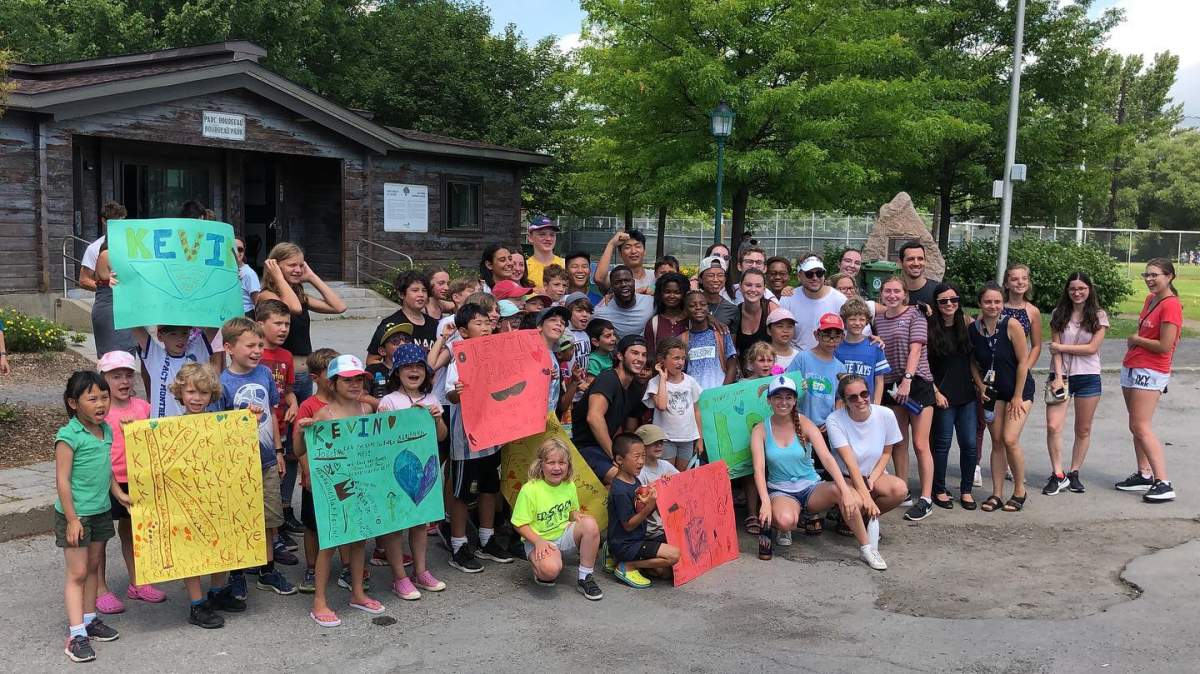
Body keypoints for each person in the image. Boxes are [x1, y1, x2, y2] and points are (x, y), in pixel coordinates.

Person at [749, 375, 886, 570]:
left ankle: (867, 548)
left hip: (810, 486)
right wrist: (764, 502)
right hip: (781, 490)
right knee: (786, 520)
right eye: (778, 397)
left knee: (850, 497)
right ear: (769, 400)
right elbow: (759, 470)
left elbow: (828, 459)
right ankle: (784, 528)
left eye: (789, 397)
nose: (783, 402)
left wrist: (845, 492)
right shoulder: (761, 429)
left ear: (795, 400)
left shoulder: (804, 423)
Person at [298, 355, 384, 626]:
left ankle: (357, 592)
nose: (355, 384)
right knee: (331, 543)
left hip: (360, 485)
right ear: (333, 383)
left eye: (359, 379)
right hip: (332, 488)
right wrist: (304, 431)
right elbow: (300, 450)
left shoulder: (366, 411)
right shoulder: (324, 414)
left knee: (359, 540)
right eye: (348, 380)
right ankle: (319, 601)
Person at [218, 318, 295, 595]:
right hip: (237, 465)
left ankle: (267, 570)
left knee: (269, 519)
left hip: (267, 460)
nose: (257, 351)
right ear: (229, 347)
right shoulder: (222, 383)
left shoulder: (264, 374)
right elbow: (217, 428)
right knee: (240, 518)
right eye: (250, 345)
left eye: (259, 345)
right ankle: (236, 573)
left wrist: (278, 451)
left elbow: (273, 415)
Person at [168, 363, 244, 629]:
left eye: (202, 392)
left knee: (220, 543)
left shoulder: (221, 423)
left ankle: (218, 591)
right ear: (180, 393)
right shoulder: (170, 427)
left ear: (212, 394)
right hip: (188, 500)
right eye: (190, 392)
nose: (196, 398)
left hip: (217, 496)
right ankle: (197, 604)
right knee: (192, 551)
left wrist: (251, 419)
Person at [55, 371, 123, 662]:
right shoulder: (68, 436)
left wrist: (119, 494)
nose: (100, 404)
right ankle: (76, 635)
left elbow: (105, 469)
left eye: (104, 397)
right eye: (91, 398)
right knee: (78, 573)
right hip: (77, 515)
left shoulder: (105, 430)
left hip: (100, 512)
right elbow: (62, 480)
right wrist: (72, 519)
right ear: (73, 403)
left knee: (94, 567)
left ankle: (90, 618)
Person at [445, 304, 515, 572]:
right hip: (466, 439)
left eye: (488, 322)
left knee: (489, 488)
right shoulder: (459, 359)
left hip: (493, 435)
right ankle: (459, 544)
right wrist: (459, 392)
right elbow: (449, 396)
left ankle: (486, 540)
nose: (485, 328)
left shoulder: (498, 356)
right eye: (478, 323)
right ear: (463, 331)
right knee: (462, 492)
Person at [377, 344, 449, 599]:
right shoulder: (388, 401)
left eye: (419, 366)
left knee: (420, 524)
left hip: (425, 470)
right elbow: (381, 441)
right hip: (395, 472)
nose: (414, 371)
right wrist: (384, 420)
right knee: (395, 526)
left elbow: (441, 437)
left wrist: (438, 419)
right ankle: (400, 577)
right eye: (407, 367)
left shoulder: (432, 400)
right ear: (397, 372)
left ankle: (421, 571)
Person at [93, 352, 162, 615]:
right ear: (104, 379)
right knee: (99, 537)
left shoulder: (143, 407)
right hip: (105, 481)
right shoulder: (100, 411)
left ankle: (139, 582)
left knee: (135, 533)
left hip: (136, 479)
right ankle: (99, 588)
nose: (124, 381)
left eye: (128, 375)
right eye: (116, 376)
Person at [1117, 258, 1183, 503]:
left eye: (1155, 275)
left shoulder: (1171, 305)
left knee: (1142, 426)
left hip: (1151, 369)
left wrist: (1136, 339)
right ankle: (1144, 474)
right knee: (1135, 425)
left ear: (1169, 277)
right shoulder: (1150, 300)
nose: (1149, 279)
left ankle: (1163, 481)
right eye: (1146, 275)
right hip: (1133, 365)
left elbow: (1165, 345)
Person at [256, 242, 347, 408]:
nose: (298, 270)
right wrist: (276, 276)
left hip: (304, 373)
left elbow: (339, 306)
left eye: (301, 265)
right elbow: (294, 308)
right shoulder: (267, 295)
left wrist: (312, 277)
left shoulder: (299, 295)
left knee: (303, 424)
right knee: (284, 422)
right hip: (280, 372)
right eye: (292, 265)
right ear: (275, 265)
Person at [874, 277, 936, 522]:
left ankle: (927, 498)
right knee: (899, 442)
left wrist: (908, 380)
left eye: (896, 291)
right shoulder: (877, 318)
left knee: (921, 444)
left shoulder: (915, 314)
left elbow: (916, 349)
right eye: (887, 291)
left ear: (904, 294)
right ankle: (903, 489)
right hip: (891, 384)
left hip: (916, 382)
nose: (891, 295)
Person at [511, 438, 604, 600]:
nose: (557, 468)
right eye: (551, 463)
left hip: (563, 534)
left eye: (562, 463)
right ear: (541, 465)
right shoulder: (530, 489)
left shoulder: (569, 485)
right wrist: (538, 541)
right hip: (538, 540)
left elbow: (572, 509)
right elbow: (519, 524)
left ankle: (585, 577)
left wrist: (575, 515)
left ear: (568, 465)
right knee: (549, 572)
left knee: (589, 523)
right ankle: (540, 566)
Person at [969, 282, 1033, 513]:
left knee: (1009, 439)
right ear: (980, 303)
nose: (992, 306)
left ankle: (1019, 490)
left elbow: (1023, 362)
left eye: (997, 301)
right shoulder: (974, 329)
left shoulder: (1011, 325)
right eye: (987, 301)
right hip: (993, 392)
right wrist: (979, 384)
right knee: (996, 441)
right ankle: (997, 492)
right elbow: (972, 362)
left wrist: (1017, 396)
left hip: (1018, 390)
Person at [1044, 272, 1108, 496]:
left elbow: (1092, 348)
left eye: (1082, 288)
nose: (1077, 293)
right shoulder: (1058, 314)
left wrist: (1060, 347)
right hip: (1060, 375)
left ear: (1089, 289)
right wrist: (1059, 377)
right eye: (1073, 289)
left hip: (1088, 376)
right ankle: (1058, 474)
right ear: (1067, 290)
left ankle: (1074, 471)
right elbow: (1055, 349)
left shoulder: (1099, 316)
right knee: (1053, 425)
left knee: (1083, 428)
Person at [825, 375, 907, 548]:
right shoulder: (835, 419)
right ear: (844, 400)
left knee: (899, 489)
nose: (860, 400)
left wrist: (872, 478)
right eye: (853, 397)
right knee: (859, 502)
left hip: (873, 473)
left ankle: (862, 519)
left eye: (864, 394)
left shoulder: (885, 414)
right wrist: (865, 496)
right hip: (847, 475)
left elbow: (887, 452)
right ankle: (851, 514)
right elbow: (850, 463)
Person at [255, 300, 303, 550]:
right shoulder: (254, 355)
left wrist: (293, 404)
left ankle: (280, 523)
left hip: (282, 425)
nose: (284, 329)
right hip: (260, 430)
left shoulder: (286, 356)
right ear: (260, 324)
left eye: (287, 324)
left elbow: (288, 389)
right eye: (278, 323)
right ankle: (267, 533)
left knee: (283, 472)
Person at [290, 348, 339, 595]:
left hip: (342, 476)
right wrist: (306, 472)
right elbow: (301, 446)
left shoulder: (350, 402)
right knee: (312, 525)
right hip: (317, 476)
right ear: (314, 378)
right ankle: (311, 567)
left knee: (344, 521)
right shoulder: (309, 406)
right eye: (329, 374)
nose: (334, 379)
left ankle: (350, 566)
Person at [606, 433, 681, 588]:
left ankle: (615, 555)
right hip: (627, 543)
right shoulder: (619, 489)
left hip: (638, 538)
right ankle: (627, 565)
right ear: (620, 460)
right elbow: (629, 525)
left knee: (666, 573)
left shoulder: (635, 479)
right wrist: (650, 505)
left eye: (643, 456)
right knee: (674, 556)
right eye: (636, 457)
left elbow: (641, 508)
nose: (641, 462)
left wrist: (663, 487)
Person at [927, 283, 978, 509]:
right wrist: (935, 392)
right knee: (942, 444)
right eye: (943, 301)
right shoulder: (929, 328)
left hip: (966, 395)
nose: (949, 304)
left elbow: (974, 361)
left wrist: (981, 386)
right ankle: (939, 489)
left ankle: (966, 490)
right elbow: (923, 365)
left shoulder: (967, 325)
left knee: (969, 444)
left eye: (953, 300)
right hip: (943, 396)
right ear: (936, 304)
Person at [572, 334, 648, 485]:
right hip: (583, 447)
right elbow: (594, 417)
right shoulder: (608, 380)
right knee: (624, 481)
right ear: (620, 355)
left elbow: (629, 429)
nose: (640, 359)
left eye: (644, 355)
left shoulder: (636, 388)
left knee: (644, 477)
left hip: (606, 447)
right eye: (634, 353)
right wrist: (615, 456)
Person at [79, 201, 137, 356]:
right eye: (113, 221)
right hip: (109, 305)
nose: (118, 225)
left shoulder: (133, 245)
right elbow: (84, 280)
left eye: (121, 220)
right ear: (104, 221)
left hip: (131, 307)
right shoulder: (95, 248)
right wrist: (105, 285)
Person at [131, 323, 216, 419]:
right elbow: (134, 323)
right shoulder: (155, 356)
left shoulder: (197, 351)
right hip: (162, 428)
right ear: (160, 336)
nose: (180, 339)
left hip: (194, 426)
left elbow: (216, 320)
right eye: (173, 334)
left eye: (184, 333)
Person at [643, 337, 703, 471]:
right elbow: (662, 406)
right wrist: (663, 379)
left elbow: (696, 410)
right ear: (662, 360)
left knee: (682, 475)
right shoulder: (655, 382)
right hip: (665, 439)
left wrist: (700, 439)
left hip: (687, 439)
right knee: (667, 475)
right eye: (676, 358)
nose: (680, 362)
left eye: (683, 358)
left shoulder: (690, 382)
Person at [786, 312, 846, 434]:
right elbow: (786, 386)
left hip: (826, 427)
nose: (831, 341)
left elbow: (840, 399)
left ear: (842, 338)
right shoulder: (802, 358)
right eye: (826, 335)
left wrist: (833, 420)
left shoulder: (841, 368)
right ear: (816, 335)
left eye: (836, 336)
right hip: (799, 424)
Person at [366, 271, 438, 358]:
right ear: (401, 294)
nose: (421, 295)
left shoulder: (435, 324)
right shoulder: (390, 324)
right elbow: (372, 360)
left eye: (424, 291)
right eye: (415, 290)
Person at [781, 256, 845, 352]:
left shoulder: (840, 300)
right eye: (809, 274)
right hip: (797, 359)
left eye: (819, 273)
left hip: (829, 358)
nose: (815, 278)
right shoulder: (788, 299)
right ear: (799, 276)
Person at [1001, 263, 1042, 405]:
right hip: (999, 370)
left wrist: (1026, 369)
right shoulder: (996, 307)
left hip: (1020, 369)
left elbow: (1036, 346)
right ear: (1006, 284)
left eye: (1024, 278)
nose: (1020, 282)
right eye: (1015, 279)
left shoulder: (1032, 311)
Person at [835, 299, 889, 404]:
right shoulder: (836, 347)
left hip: (866, 404)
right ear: (844, 321)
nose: (857, 323)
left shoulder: (875, 346)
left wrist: (876, 405)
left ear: (867, 321)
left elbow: (879, 380)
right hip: (842, 405)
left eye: (862, 319)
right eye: (852, 319)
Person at [683, 290, 737, 390]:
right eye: (692, 305)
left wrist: (723, 392)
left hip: (719, 396)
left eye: (703, 304)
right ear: (685, 311)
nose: (698, 307)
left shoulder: (721, 334)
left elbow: (732, 366)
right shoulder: (682, 339)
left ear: (708, 309)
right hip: (693, 398)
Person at [594, 265, 656, 339]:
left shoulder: (651, 303)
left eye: (627, 280)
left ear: (633, 282)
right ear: (612, 286)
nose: (623, 284)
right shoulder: (602, 312)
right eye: (617, 282)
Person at [730, 269, 778, 354]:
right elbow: (732, 351)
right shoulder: (735, 313)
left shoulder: (772, 311)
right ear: (740, 287)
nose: (753, 289)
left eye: (758, 286)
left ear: (764, 289)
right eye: (748, 285)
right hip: (742, 366)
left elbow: (782, 346)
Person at [643, 272, 689, 356]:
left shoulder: (691, 321)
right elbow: (650, 356)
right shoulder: (653, 323)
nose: (672, 296)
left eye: (677, 292)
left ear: (684, 294)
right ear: (660, 294)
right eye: (667, 292)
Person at [697, 256, 740, 326]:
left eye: (720, 275)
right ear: (700, 279)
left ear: (725, 279)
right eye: (710, 275)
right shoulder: (691, 304)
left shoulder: (732, 309)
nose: (716, 280)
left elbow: (731, 336)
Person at [525, 216, 565, 287]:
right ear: (530, 238)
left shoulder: (565, 265)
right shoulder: (524, 268)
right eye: (542, 234)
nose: (548, 238)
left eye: (552, 235)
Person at [898, 241, 936, 307]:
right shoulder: (892, 293)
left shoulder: (936, 291)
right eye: (910, 259)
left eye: (920, 259)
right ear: (900, 263)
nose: (916, 263)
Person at [564, 292, 594, 374]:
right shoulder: (564, 335)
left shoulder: (586, 334)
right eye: (579, 310)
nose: (585, 314)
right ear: (568, 312)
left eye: (588, 311)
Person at [231, 237, 261, 316]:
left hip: (245, 316)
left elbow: (257, 302)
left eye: (240, 249)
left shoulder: (248, 273)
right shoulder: (225, 270)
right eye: (233, 249)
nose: (237, 252)